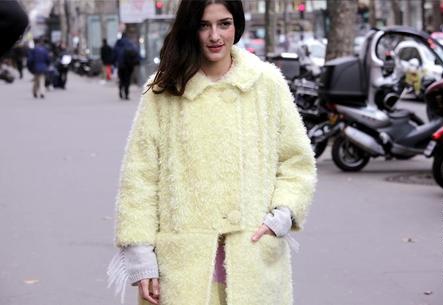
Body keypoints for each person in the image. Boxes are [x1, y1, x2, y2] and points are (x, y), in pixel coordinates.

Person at [107, 1, 317, 305]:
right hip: (182, 267)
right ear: (190, 28)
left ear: (237, 26)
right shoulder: (164, 89)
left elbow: (297, 161)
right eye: (204, 25)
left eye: (224, 24)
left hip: (253, 258)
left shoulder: (266, 83)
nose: (214, 35)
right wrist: (140, 254)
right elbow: (140, 176)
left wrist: (281, 216)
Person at [114, 33, 140, 100]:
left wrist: (114, 63)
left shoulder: (118, 43)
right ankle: (126, 94)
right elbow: (136, 52)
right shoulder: (130, 43)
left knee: (121, 79)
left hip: (120, 65)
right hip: (129, 65)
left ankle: (120, 90)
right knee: (127, 79)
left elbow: (114, 53)